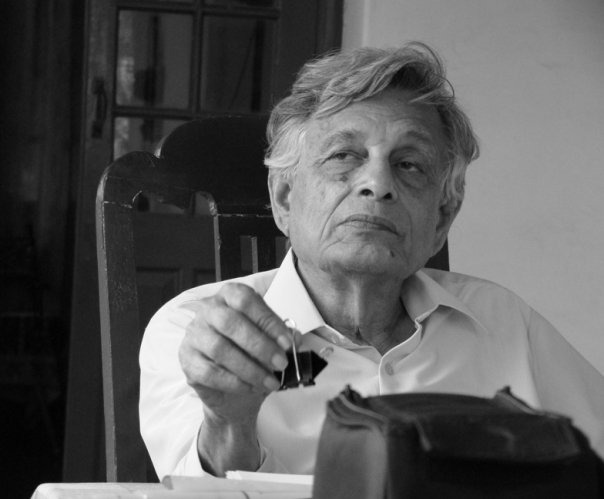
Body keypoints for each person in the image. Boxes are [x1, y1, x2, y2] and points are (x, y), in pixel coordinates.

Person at [139, 42, 604, 479]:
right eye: (344, 156)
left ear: (442, 217)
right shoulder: (197, 331)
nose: (377, 184)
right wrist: (229, 421)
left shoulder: (504, 324)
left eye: (409, 164)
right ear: (283, 198)